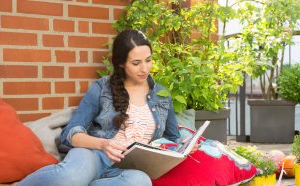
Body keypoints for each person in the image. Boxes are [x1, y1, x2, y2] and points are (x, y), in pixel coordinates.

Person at [19, 29, 190, 186]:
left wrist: (184, 145)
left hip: (127, 167)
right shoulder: (101, 88)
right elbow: (69, 133)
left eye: (148, 60)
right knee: (71, 177)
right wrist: (103, 144)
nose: (144, 68)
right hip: (93, 155)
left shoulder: (162, 95)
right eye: (136, 63)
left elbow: (172, 139)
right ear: (121, 63)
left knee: (141, 182)